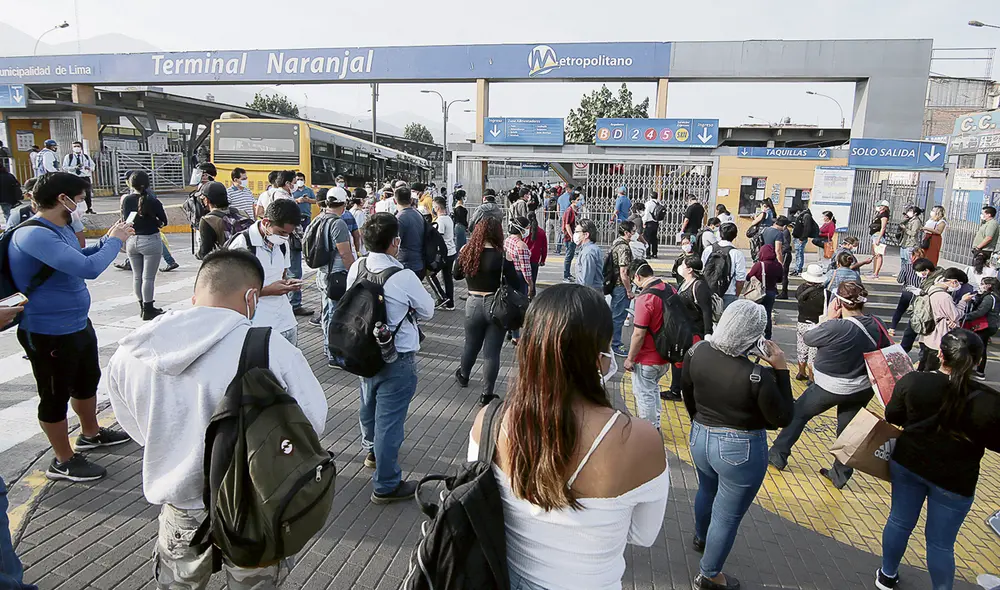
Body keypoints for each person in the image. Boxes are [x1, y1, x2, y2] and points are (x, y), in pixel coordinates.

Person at [105, 248, 327, 589]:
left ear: (197, 294)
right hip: (253, 504)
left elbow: (134, 425)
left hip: (180, 508)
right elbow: (312, 422)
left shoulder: (132, 350)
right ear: (252, 296)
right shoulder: (270, 349)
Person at [466, 283, 669, 590]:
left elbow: (480, 502)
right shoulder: (640, 440)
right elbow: (644, 535)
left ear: (527, 345)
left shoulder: (490, 421)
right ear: (600, 358)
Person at [9, 172, 133, 482]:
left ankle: (90, 433)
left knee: (86, 381)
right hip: (48, 331)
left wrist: (106, 241)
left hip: (77, 325)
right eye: (78, 199)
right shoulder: (34, 235)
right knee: (54, 395)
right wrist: (115, 241)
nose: (81, 204)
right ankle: (63, 460)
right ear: (62, 198)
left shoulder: (59, 228)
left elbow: (79, 257)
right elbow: (88, 268)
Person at [682, 299, 794, 590]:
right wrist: (781, 369)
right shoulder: (757, 374)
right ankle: (709, 575)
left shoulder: (697, 351)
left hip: (700, 435)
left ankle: (701, 536)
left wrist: (699, 421)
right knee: (727, 515)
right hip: (739, 447)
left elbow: (687, 393)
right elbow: (782, 417)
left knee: (706, 489)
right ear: (756, 335)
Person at [877, 329, 1000, 590]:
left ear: (940, 354)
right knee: (941, 543)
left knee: (899, 521)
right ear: (977, 361)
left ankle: (887, 574)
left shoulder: (913, 381)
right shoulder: (990, 402)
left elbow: (894, 416)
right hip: (955, 479)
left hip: (908, 463)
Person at [347, 212, 435, 503]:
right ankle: (385, 484)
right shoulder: (402, 276)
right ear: (395, 242)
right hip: (397, 357)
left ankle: (371, 450)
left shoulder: (357, 266)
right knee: (390, 421)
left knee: (367, 403)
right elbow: (428, 310)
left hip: (363, 351)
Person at [769, 281, 892, 489]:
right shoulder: (876, 323)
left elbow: (809, 338)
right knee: (848, 430)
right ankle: (840, 475)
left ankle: (778, 455)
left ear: (838, 302)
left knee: (799, 414)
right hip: (862, 388)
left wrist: (827, 318)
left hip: (829, 387)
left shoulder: (836, 326)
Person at [454, 216, 520, 406]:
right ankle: (487, 394)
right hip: (495, 305)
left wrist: (460, 256)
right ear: (498, 233)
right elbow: (515, 282)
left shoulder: (468, 252)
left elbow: (456, 274)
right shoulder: (502, 256)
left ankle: (464, 375)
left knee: (470, 344)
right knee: (492, 352)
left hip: (472, 302)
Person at [226, 199, 303, 345]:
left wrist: (287, 284)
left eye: (288, 234)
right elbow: (231, 291)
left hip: (286, 322)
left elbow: (281, 275)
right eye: (281, 232)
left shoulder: (282, 244)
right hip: (258, 326)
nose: (285, 237)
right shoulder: (243, 244)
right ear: (267, 222)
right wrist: (268, 290)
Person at [624, 259, 679, 416]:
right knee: (653, 390)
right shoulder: (670, 289)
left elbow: (639, 334)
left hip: (647, 358)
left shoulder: (645, 298)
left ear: (638, 276)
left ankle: (650, 430)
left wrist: (630, 359)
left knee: (644, 396)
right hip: (666, 355)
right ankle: (655, 424)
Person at [314, 189, 355, 366]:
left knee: (327, 312)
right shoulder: (338, 224)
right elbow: (345, 253)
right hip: (337, 276)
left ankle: (326, 347)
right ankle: (334, 355)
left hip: (323, 273)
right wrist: (355, 273)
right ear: (344, 203)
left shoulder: (319, 218)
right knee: (336, 314)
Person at [120, 171, 169, 320]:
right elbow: (164, 221)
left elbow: (125, 219)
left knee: (137, 276)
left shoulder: (127, 200)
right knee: (148, 278)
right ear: (147, 184)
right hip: (150, 240)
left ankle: (141, 305)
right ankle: (148, 309)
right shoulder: (153, 200)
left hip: (132, 241)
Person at [917, 268, 972, 373]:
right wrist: (963, 302)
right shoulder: (944, 297)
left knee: (924, 363)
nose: (959, 287)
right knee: (933, 367)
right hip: (938, 336)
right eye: (959, 284)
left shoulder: (932, 288)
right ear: (953, 281)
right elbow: (955, 316)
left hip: (928, 332)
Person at [702, 223, 747, 309]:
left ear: (719, 233)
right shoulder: (737, 254)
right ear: (735, 235)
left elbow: (703, 269)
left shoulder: (708, 249)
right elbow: (740, 279)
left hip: (709, 290)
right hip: (729, 292)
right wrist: (736, 295)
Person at [795, 264, 826, 382]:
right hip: (816, 324)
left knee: (801, 348)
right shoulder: (824, 293)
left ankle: (801, 372)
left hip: (801, 322)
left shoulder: (800, 289)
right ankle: (812, 377)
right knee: (813, 352)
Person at [608, 221, 636, 356]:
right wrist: (629, 290)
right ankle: (615, 345)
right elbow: (623, 272)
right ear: (627, 232)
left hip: (615, 284)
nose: (634, 234)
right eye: (633, 231)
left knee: (615, 315)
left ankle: (611, 342)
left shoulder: (616, 242)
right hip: (620, 286)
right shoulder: (624, 248)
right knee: (619, 317)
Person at [890, 253, 934, 338]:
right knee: (916, 312)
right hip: (920, 294)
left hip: (907, 292)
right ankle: (916, 330)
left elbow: (900, 280)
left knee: (899, 310)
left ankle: (892, 328)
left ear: (912, 257)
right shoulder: (926, 270)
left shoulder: (906, 267)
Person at [964, 276, 1000, 380]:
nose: (980, 286)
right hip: (990, 325)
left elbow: (980, 312)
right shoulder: (993, 296)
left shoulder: (989, 298)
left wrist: (965, 317)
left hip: (986, 325)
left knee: (980, 348)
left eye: (982, 284)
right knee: (981, 347)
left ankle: (980, 371)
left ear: (989, 286)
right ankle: (979, 370)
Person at [195, 181, 242, 258]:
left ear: (207, 200)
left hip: (229, 264)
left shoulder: (208, 220)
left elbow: (205, 252)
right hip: (250, 263)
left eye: (202, 198)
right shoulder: (241, 213)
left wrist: (198, 255)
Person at [747, 244, 782, 339]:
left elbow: (748, 277)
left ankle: (754, 335)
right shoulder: (778, 265)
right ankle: (768, 336)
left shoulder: (759, 265)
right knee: (767, 314)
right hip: (771, 292)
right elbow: (780, 279)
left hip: (758, 293)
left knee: (755, 314)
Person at [429, 197, 456, 310]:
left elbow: (438, 237)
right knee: (447, 278)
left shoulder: (440, 220)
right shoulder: (448, 218)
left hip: (444, 253)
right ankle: (450, 302)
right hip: (451, 252)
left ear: (437, 208)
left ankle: (442, 297)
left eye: (434, 207)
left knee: (430, 275)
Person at [393, 187, 426, 279]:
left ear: (395, 201)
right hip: (419, 262)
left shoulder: (399, 218)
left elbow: (396, 245)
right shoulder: (418, 214)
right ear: (411, 200)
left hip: (406, 264)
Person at [60, 141, 95, 214]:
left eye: (78, 146)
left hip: (84, 176)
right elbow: (65, 167)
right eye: (74, 146)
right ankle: (74, 208)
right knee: (74, 193)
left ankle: (89, 208)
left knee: (87, 193)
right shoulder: (69, 157)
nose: (76, 148)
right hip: (74, 177)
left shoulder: (86, 157)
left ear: (81, 147)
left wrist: (89, 168)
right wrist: (74, 168)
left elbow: (92, 165)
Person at [574, 218, 603, 292]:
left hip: (590, 294)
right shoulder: (586, 249)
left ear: (586, 234)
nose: (575, 234)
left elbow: (586, 281)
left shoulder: (588, 252)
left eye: (577, 232)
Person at [562, 192, 583, 281]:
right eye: (578, 200)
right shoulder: (569, 211)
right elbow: (567, 225)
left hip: (574, 236)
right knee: (569, 256)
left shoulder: (575, 210)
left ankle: (568, 274)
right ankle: (566, 275)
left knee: (571, 256)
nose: (580, 202)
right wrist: (571, 236)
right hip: (569, 237)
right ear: (573, 201)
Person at [525, 208, 547, 285]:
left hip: (525, 258)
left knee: (525, 281)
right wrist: (543, 260)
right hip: (535, 259)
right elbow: (544, 248)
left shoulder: (524, 231)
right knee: (533, 281)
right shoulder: (541, 232)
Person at [870, 200, 891, 279]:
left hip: (878, 235)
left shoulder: (884, 215)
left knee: (878, 254)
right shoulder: (879, 214)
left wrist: (879, 238)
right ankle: (874, 270)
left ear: (885, 207)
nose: (878, 207)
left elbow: (883, 227)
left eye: (880, 206)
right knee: (875, 254)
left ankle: (876, 273)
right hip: (874, 235)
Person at [790, 207, 814, 276]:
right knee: (797, 254)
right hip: (797, 237)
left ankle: (798, 269)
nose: (794, 215)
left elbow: (807, 228)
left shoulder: (806, 216)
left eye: (794, 213)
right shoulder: (801, 216)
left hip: (800, 238)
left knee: (799, 254)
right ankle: (796, 269)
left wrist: (802, 238)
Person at [642, 191, 662, 258]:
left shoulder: (648, 203)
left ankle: (647, 254)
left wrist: (644, 222)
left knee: (647, 238)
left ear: (650, 196)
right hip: (656, 223)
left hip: (649, 223)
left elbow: (646, 213)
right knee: (654, 238)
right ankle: (655, 253)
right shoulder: (659, 203)